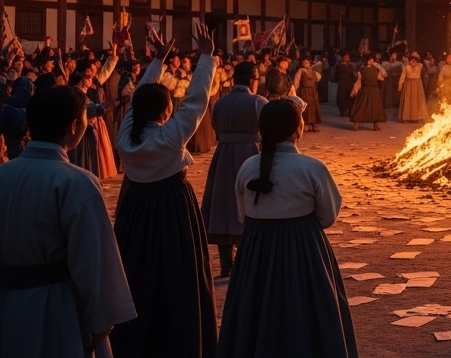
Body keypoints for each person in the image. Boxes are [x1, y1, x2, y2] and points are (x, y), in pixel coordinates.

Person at [0, 85, 136, 358]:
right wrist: (102, 320)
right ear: (74, 125)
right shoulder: (76, 182)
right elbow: (94, 262)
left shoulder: (4, 174)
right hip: (56, 309)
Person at [111, 22, 218, 357]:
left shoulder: (125, 137)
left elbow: (143, 97)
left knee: (136, 273)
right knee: (178, 277)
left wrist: (158, 61)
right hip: (173, 210)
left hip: (135, 208)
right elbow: (198, 100)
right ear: (166, 109)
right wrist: (206, 57)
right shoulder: (170, 137)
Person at [218, 100, 355, 357]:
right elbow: (327, 217)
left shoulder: (247, 167)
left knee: (255, 313)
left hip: (255, 251)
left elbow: (242, 216)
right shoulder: (312, 168)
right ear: (298, 128)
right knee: (307, 314)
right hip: (303, 252)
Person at [202, 62, 267, 279]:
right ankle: (245, 263)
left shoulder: (221, 102)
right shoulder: (258, 102)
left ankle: (225, 264)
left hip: (224, 155)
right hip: (250, 153)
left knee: (223, 205)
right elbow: (267, 128)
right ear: (252, 80)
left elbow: (215, 126)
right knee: (249, 203)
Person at [348, 55, 386, 132]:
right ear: (367, 61)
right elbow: (359, 81)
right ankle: (357, 124)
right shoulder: (362, 70)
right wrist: (355, 90)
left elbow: (382, 77)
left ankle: (375, 124)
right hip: (366, 90)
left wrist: (379, 68)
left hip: (373, 90)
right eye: (369, 60)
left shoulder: (375, 69)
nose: (371, 61)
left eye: (372, 60)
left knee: (374, 107)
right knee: (362, 106)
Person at [291, 57, 322, 132]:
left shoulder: (313, 72)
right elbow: (296, 81)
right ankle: (306, 124)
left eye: (307, 63)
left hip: (312, 91)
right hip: (304, 91)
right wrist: (294, 91)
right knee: (306, 108)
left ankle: (313, 124)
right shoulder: (300, 71)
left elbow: (318, 78)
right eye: (304, 63)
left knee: (314, 108)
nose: (306, 64)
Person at [397, 53, 428, 124]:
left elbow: (423, 63)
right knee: (408, 100)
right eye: (412, 59)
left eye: (415, 60)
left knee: (416, 101)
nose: (413, 61)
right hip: (408, 85)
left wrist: (416, 56)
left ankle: (417, 117)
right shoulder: (406, 67)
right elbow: (402, 76)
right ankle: (406, 117)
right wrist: (400, 85)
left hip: (417, 85)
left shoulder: (420, 66)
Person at [333, 52, 357, 118]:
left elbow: (353, 74)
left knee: (350, 96)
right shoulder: (339, 65)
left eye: (348, 57)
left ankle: (350, 111)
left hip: (350, 82)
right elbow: (336, 74)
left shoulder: (351, 65)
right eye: (345, 56)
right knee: (342, 96)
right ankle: (342, 111)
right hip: (342, 82)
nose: (346, 58)